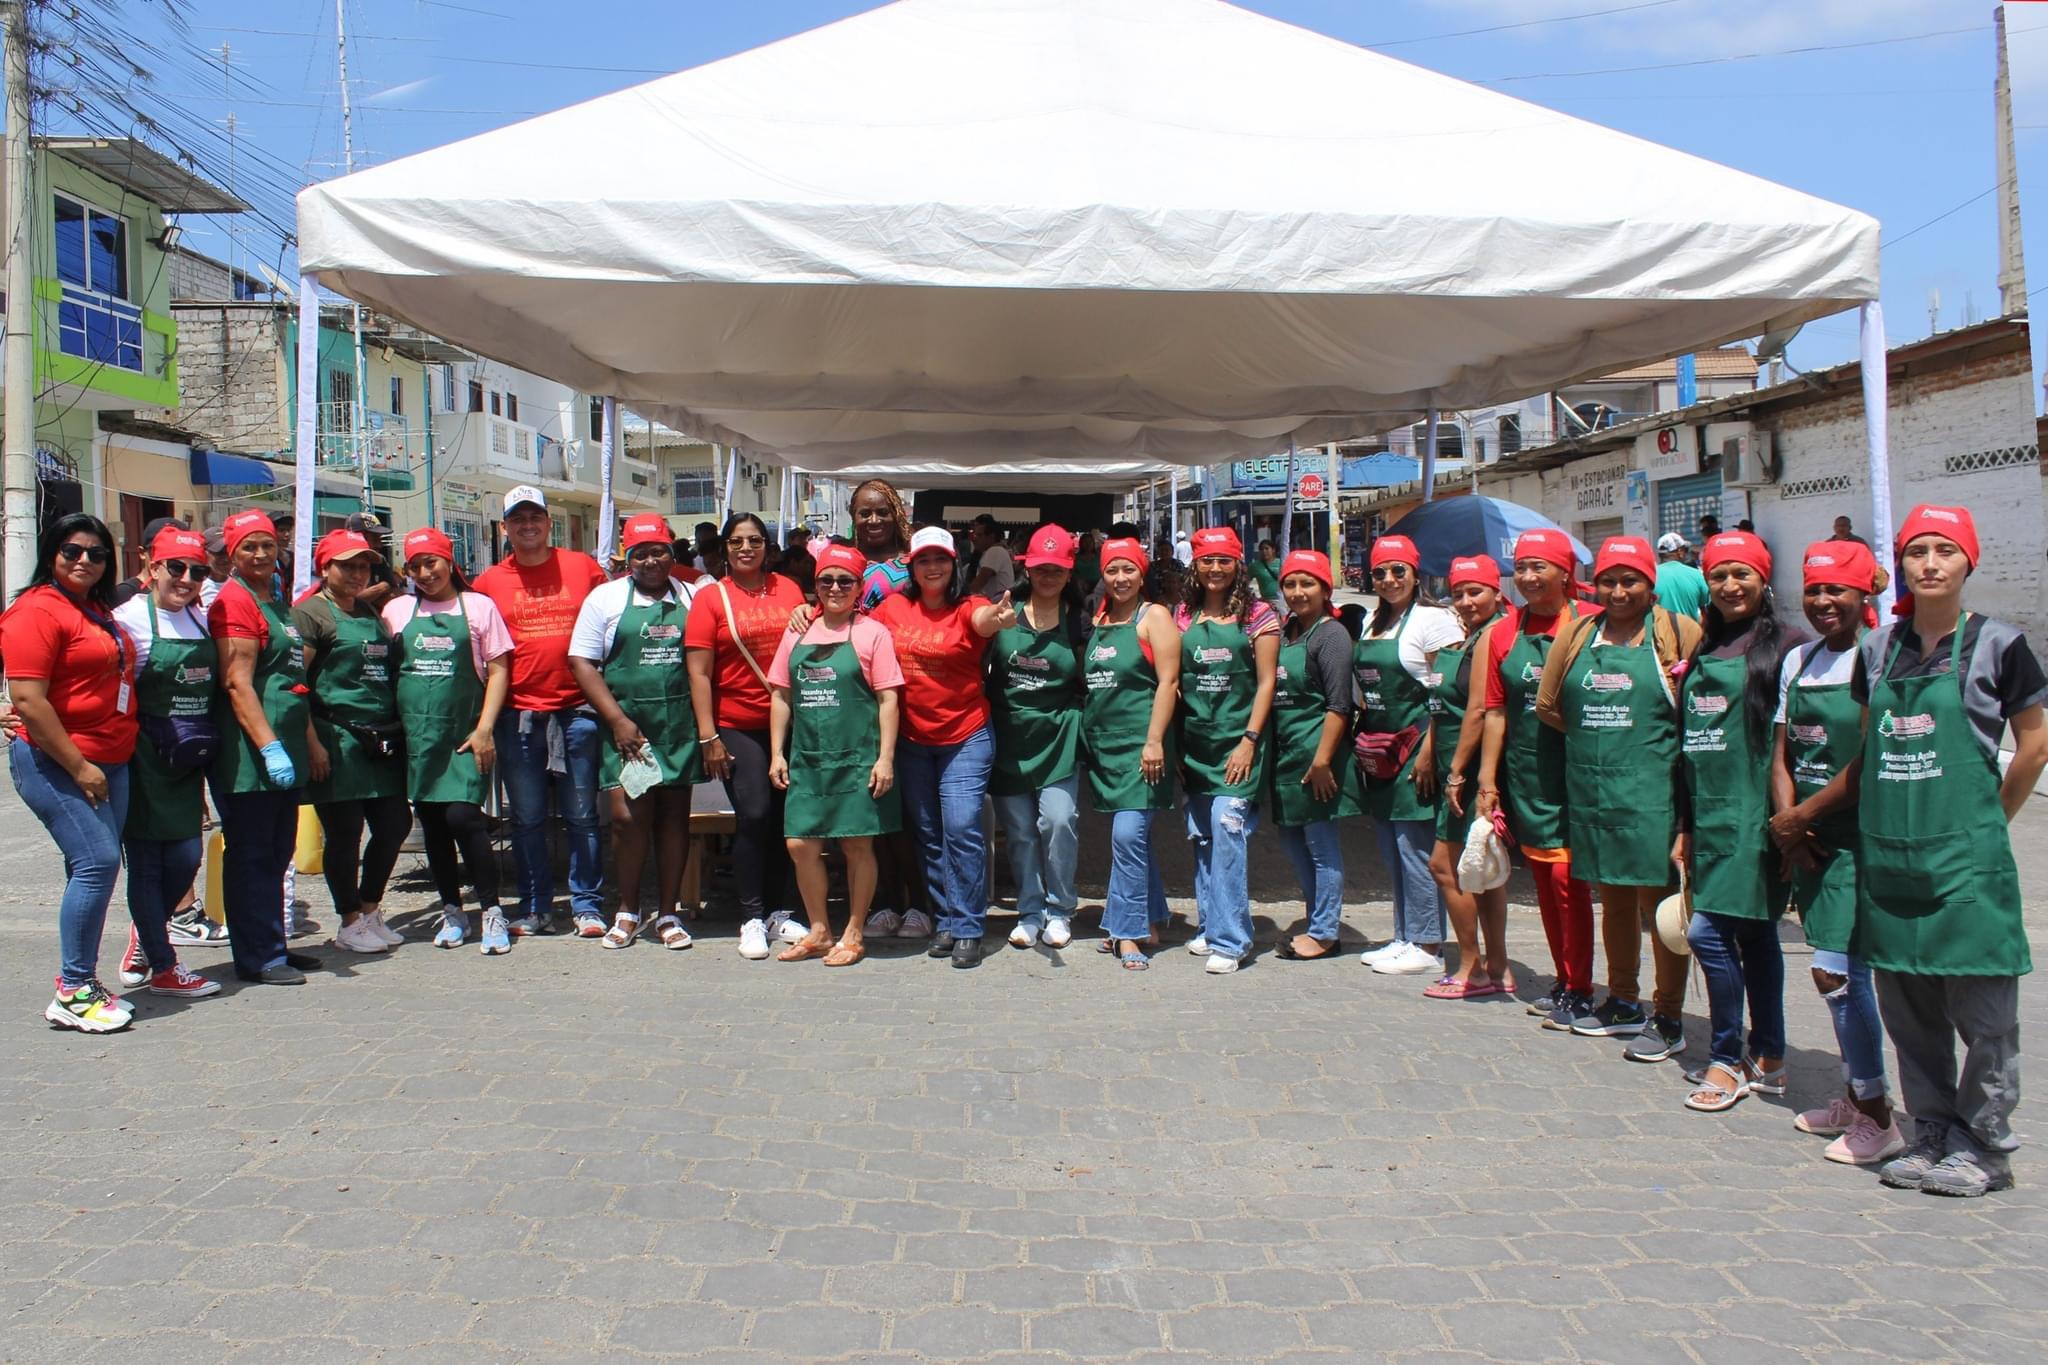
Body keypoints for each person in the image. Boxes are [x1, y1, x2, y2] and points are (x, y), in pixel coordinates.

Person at [1856, 505, 2046, 1197]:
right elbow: (1869, 743)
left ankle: (1985, 1146)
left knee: (1985, 1016)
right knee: (1910, 1015)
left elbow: (2034, 746)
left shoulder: (2001, 644)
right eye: (1917, 551)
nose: (1930, 563)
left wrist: (1990, 821)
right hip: (1893, 862)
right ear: (1901, 563)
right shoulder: (1877, 649)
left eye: (1945, 550)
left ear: (1970, 560)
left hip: (1967, 864)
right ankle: (1931, 1131)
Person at [1535, 535, 1701, 1060]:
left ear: (1651, 584)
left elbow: (1699, 708)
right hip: (1594, 789)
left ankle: (1669, 1016)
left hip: (1655, 792)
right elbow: (1547, 704)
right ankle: (1623, 1001)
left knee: (1661, 906)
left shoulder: (1678, 632)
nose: (1619, 591)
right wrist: (1596, 741)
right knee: (1614, 901)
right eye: (1608, 581)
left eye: (1630, 581)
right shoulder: (1579, 632)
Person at [1772, 537, 1903, 1164]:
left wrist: (1804, 816)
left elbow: (1872, 756)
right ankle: (1856, 1095)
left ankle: (1878, 1117)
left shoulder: (1879, 657)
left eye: (1837, 590)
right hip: (1809, 844)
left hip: (1856, 839)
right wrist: (1790, 827)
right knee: (1835, 975)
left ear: (1863, 594)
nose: (1824, 601)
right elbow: (1781, 753)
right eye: (1814, 589)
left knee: (1838, 974)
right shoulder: (1799, 660)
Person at [1677, 530, 1804, 1112]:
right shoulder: (1707, 645)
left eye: (1741, 574)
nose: (1730, 585)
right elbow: (1686, 748)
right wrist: (1685, 825)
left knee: (1707, 934)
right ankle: (1770, 1058)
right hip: (1709, 815)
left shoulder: (1790, 648)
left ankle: (1726, 1057)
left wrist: (1793, 824)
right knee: (1754, 937)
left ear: (1763, 580)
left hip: (1757, 819)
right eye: (1719, 575)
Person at [3, 514, 141, 1029]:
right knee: (97, 862)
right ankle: (73, 990)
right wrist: (80, 767)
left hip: (111, 760)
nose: (84, 560)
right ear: (51, 554)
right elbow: (28, 700)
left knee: (89, 867)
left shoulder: (94, 608)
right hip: (58, 762)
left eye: (96, 553)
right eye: (71, 551)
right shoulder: (36, 610)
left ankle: (84, 981)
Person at [869, 525, 1012, 968]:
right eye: (924, 560)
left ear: (954, 564)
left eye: (940, 559)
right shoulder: (893, 607)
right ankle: (946, 918)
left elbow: (983, 620)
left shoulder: (970, 605)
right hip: (912, 739)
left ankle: (969, 926)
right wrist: (807, 611)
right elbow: (854, 628)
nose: (932, 567)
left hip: (965, 736)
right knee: (929, 835)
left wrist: (998, 619)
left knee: (962, 828)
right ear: (912, 567)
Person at [474, 484, 611, 936]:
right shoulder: (489, 582)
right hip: (518, 714)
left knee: (582, 816)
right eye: (518, 519)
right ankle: (535, 907)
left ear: (549, 523)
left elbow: (611, 623)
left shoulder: (583, 567)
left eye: (535, 517)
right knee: (527, 818)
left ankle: (587, 906)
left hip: (578, 710)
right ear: (505, 528)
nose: (528, 525)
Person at [1475, 529, 1598, 1026]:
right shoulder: (1503, 633)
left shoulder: (1592, 623)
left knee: (1570, 883)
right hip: (1530, 777)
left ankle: (1584, 986)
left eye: (1538, 567)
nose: (1527, 577)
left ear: (1565, 573)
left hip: (1583, 774)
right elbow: (1495, 712)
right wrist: (1488, 782)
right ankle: (1565, 981)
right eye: (1521, 567)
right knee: (1546, 883)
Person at [569, 513, 703, 950]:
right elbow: (582, 661)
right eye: (640, 554)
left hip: (678, 724)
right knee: (628, 820)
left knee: (673, 821)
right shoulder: (605, 599)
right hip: (627, 727)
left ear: (672, 553)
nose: (650, 561)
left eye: (658, 551)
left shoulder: (694, 596)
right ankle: (627, 910)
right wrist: (618, 721)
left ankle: (668, 913)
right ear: (627, 559)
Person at [767, 541, 905, 966]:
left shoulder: (873, 633)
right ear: (816, 584)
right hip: (808, 758)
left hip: (857, 758)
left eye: (845, 581)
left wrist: (885, 758)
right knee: (799, 844)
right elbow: (781, 695)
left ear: (859, 587)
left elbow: (888, 699)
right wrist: (777, 753)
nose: (835, 588)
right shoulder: (797, 631)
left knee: (857, 845)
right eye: (826, 580)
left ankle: (854, 932)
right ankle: (820, 930)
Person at [686, 511, 810, 959]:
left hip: (789, 723)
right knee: (754, 814)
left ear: (767, 547)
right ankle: (752, 916)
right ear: (724, 548)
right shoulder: (710, 598)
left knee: (783, 819)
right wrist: (709, 737)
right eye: (737, 541)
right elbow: (699, 674)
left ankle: (778, 911)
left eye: (754, 540)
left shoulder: (788, 589)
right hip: (737, 723)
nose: (746, 549)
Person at [385, 528, 515, 953]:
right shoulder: (396, 611)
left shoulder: (478, 607)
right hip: (419, 739)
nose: (425, 573)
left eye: (432, 563)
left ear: (449, 562)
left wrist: (485, 728)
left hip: (464, 735)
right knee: (434, 825)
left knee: (464, 818)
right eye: (415, 567)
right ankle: (452, 910)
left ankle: (491, 910)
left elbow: (498, 670)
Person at [208, 509, 323, 985]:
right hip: (251, 756)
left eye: (267, 545)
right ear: (232, 553)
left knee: (277, 853)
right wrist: (270, 747)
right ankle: (257, 957)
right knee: (252, 855)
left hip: (286, 746)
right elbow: (237, 682)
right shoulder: (235, 602)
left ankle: (272, 943)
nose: (260, 554)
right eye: (249, 546)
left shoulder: (272, 600)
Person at [110, 524, 223, 1001]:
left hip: (188, 760)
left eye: (198, 572)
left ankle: (147, 934)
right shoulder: (127, 619)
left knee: (186, 858)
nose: (187, 580)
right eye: (177, 568)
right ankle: (164, 965)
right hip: (144, 760)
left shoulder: (203, 619)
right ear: (153, 567)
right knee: (148, 865)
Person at [296, 528, 413, 956]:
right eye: (347, 566)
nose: (357, 574)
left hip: (378, 739)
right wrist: (312, 743)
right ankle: (348, 920)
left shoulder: (367, 610)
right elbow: (295, 683)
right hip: (336, 738)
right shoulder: (311, 614)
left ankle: (369, 909)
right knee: (345, 835)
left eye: (363, 566)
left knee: (395, 824)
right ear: (324, 568)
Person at [1352, 534, 1463, 975]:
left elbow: (1445, 690)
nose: (1389, 579)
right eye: (1380, 572)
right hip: (1380, 749)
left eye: (1399, 570)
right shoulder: (1372, 622)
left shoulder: (1435, 621)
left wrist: (1428, 753)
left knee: (1415, 848)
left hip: (1416, 748)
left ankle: (1429, 943)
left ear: (1416, 575)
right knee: (1391, 847)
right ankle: (1404, 935)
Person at [1175, 526, 1279, 974]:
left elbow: (1267, 682)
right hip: (1195, 743)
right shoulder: (1182, 615)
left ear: (1238, 565)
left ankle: (1232, 938)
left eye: (1224, 560)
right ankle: (1209, 924)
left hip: (1240, 743)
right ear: (1195, 566)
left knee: (1227, 825)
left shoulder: (1259, 615)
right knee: (1202, 836)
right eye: (1207, 560)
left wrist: (1249, 741)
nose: (1215, 569)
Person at [988, 525, 1089, 951]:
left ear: (1069, 573)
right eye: (1041, 567)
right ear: (1026, 568)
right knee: (1020, 831)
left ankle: (1060, 908)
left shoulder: (1080, 621)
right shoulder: (1003, 613)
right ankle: (1030, 912)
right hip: (1010, 737)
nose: (1049, 575)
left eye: (1057, 569)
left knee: (1058, 821)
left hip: (1058, 736)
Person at [1086, 536, 1181, 970]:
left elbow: (1168, 682)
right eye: (1112, 570)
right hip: (1108, 749)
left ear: (1143, 575)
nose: (1120, 578)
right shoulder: (1101, 617)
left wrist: (1154, 740)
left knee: (1127, 836)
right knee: (1133, 840)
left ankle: (1126, 932)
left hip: (1144, 748)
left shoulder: (1154, 616)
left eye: (1129, 569)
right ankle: (1152, 919)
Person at [1422, 555, 1512, 1000]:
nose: (1465, 601)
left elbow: (1479, 710)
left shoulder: (1493, 636)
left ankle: (1471, 968)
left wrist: (1458, 773)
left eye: (1475, 591)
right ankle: (1499, 966)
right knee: (1485, 869)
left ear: (1497, 592)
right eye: (1458, 593)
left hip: (1471, 768)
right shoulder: (1472, 636)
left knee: (1445, 865)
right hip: (1459, 764)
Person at [1269, 550, 1360, 961]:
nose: (1298, 592)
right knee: (1294, 844)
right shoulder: (1288, 630)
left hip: (1316, 757)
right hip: (1287, 757)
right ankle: (1315, 918)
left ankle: (1325, 932)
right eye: (1290, 584)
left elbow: (1339, 705)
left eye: (1307, 583)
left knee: (1321, 847)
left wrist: (1323, 761)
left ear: (1326, 589)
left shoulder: (1331, 635)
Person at [108, 514, 188, 608]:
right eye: (160, 550)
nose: (167, 557)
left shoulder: (186, 594)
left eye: (179, 553)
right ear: (142, 553)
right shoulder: (124, 595)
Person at [1654, 532, 1709, 620]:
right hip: (1690, 628)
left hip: (1659, 629)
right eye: (1685, 550)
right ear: (1680, 552)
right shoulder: (1696, 574)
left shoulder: (1651, 576)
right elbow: (1704, 612)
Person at [1830, 515, 1890, 592]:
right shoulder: (1828, 544)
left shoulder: (1859, 543)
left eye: (1844, 526)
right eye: (1838, 526)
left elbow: (1867, 561)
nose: (1841, 528)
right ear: (1834, 528)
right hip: (1835, 581)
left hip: (1854, 581)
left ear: (1850, 528)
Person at [965, 514, 1016, 599]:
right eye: (974, 535)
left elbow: (978, 584)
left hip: (997, 603)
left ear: (991, 537)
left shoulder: (995, 551)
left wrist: (962, 599)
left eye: (979, 535)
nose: (975, 538)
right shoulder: (991, 551)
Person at [781, 527, 816, 597]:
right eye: (800, 538)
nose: (805, 541)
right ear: (790, 540)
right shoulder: (780, 557)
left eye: (805, 538)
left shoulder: (811, 559)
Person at [1250, 539, 1281, 603]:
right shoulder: (1255, 566)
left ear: (1273, 550)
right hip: (1266, 602)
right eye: (1261, 549)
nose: (1264, 551)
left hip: (1282, 600)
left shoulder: (1281, 563)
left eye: (1267, 548)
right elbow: (1245, 582)